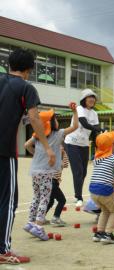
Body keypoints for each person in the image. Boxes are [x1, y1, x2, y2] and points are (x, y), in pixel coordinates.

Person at [0, 48, 55, 264]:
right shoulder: (25, 87)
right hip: (4, 151)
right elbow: (35, 118)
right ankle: (3, 250)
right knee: (7, 200)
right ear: (29, 69)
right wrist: (47, 147)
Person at [23, 103, 78, 241]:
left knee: (36, 196)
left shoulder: (37, 135)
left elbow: (26, 145)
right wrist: (75, 112)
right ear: (52, 122)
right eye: (55, 118)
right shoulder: (58, 134)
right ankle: (39, 226)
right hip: (46, 172)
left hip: (35, 170)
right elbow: (75, 127)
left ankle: (30, 223)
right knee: (44, 198)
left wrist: (36, 154)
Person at [64, 88, 101, 207]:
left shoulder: (94, 113)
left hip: (84, 144)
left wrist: (99, 145)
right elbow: (84, 123)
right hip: (72, 143)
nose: (91, 99)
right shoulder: (79, 109)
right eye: (89, 97)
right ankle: (78, 197)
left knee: (84, 172)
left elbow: (95, 132)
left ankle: (78, 194)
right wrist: (101, 130)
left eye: (93, 98)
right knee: (78, 171)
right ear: (84, 100)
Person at [90, 131, 114, 244]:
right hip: (104, 189)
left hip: (93, 190)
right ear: (110, 146)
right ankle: (108, 234)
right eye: (113, 143)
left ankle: (99, 233)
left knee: (105, 210)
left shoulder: (96, 158)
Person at [46, 145, 69, 226]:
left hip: (54, 182)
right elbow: (62, 164)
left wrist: (63, 153)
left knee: (50, 201)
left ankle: (40, 217)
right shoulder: (52, 157)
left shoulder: (62, 155)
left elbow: (66, 165)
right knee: (62, 200)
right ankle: (55, 218)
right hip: (51, 182)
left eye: (62, 146)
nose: (61, 148)